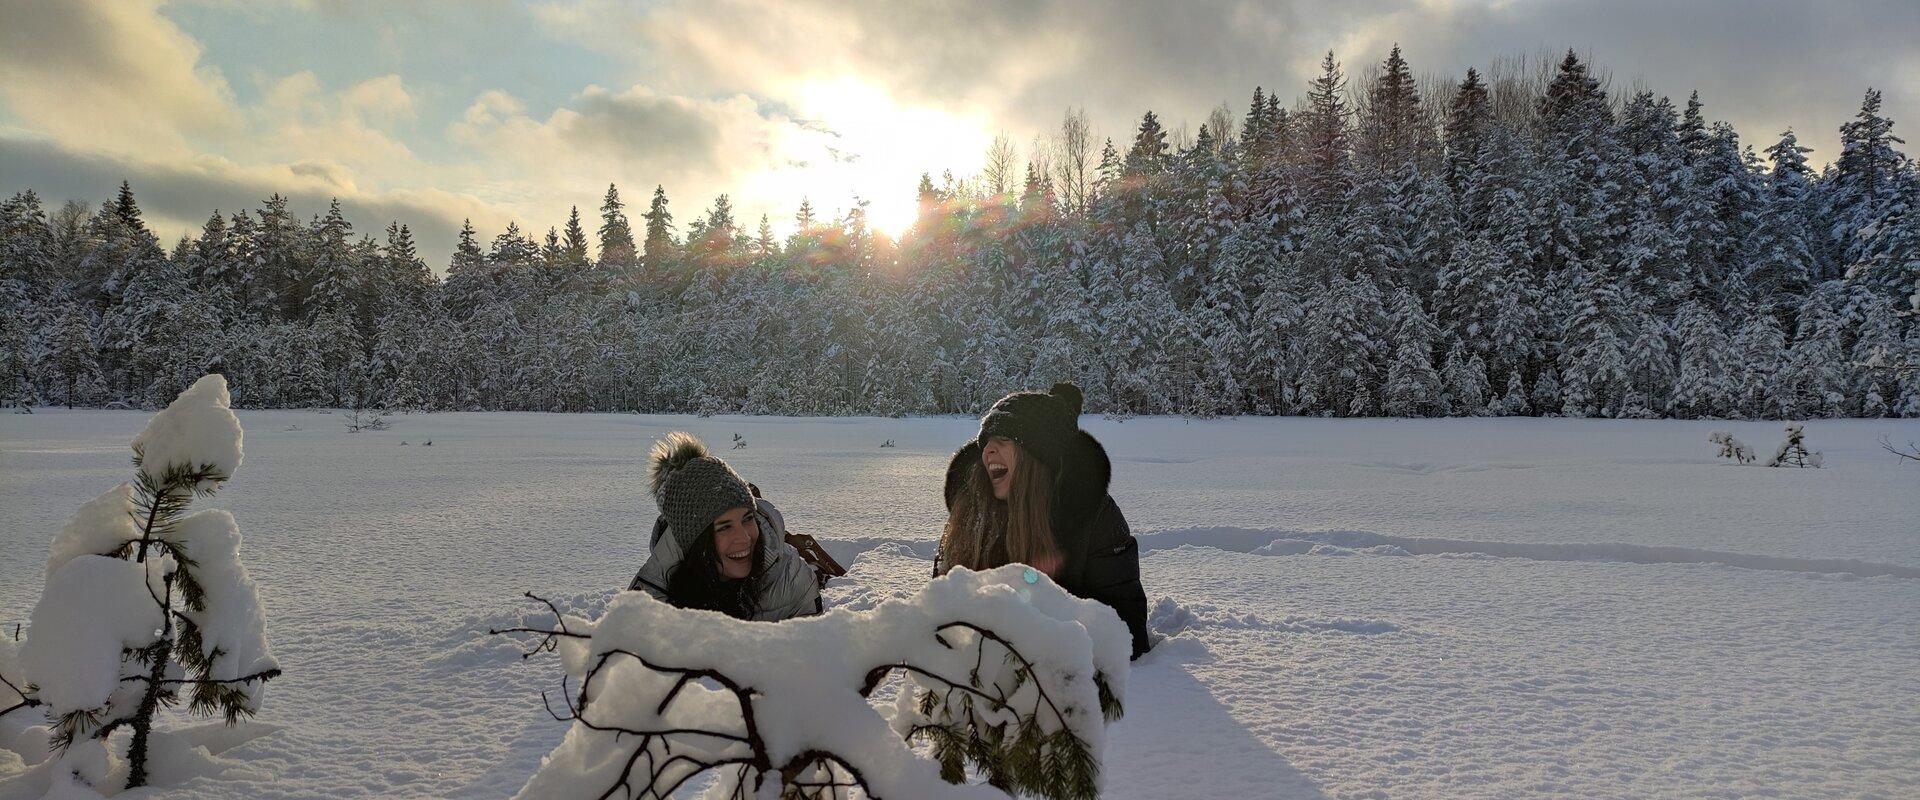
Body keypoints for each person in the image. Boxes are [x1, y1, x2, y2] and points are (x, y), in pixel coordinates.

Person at [938, 382, 1152, 658]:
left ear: (1038, 458)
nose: (988, 450)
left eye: (1003, 440)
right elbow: (940, 610)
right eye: (987, 441)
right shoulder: (970, 511)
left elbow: (1128, 633)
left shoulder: (1093, 517)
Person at [629, 432, 820, 620]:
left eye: (747, 519)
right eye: (724, 527)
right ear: (695, 542)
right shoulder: (651, 595)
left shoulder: (790, 578)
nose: (744, 537)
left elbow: (814, 644)